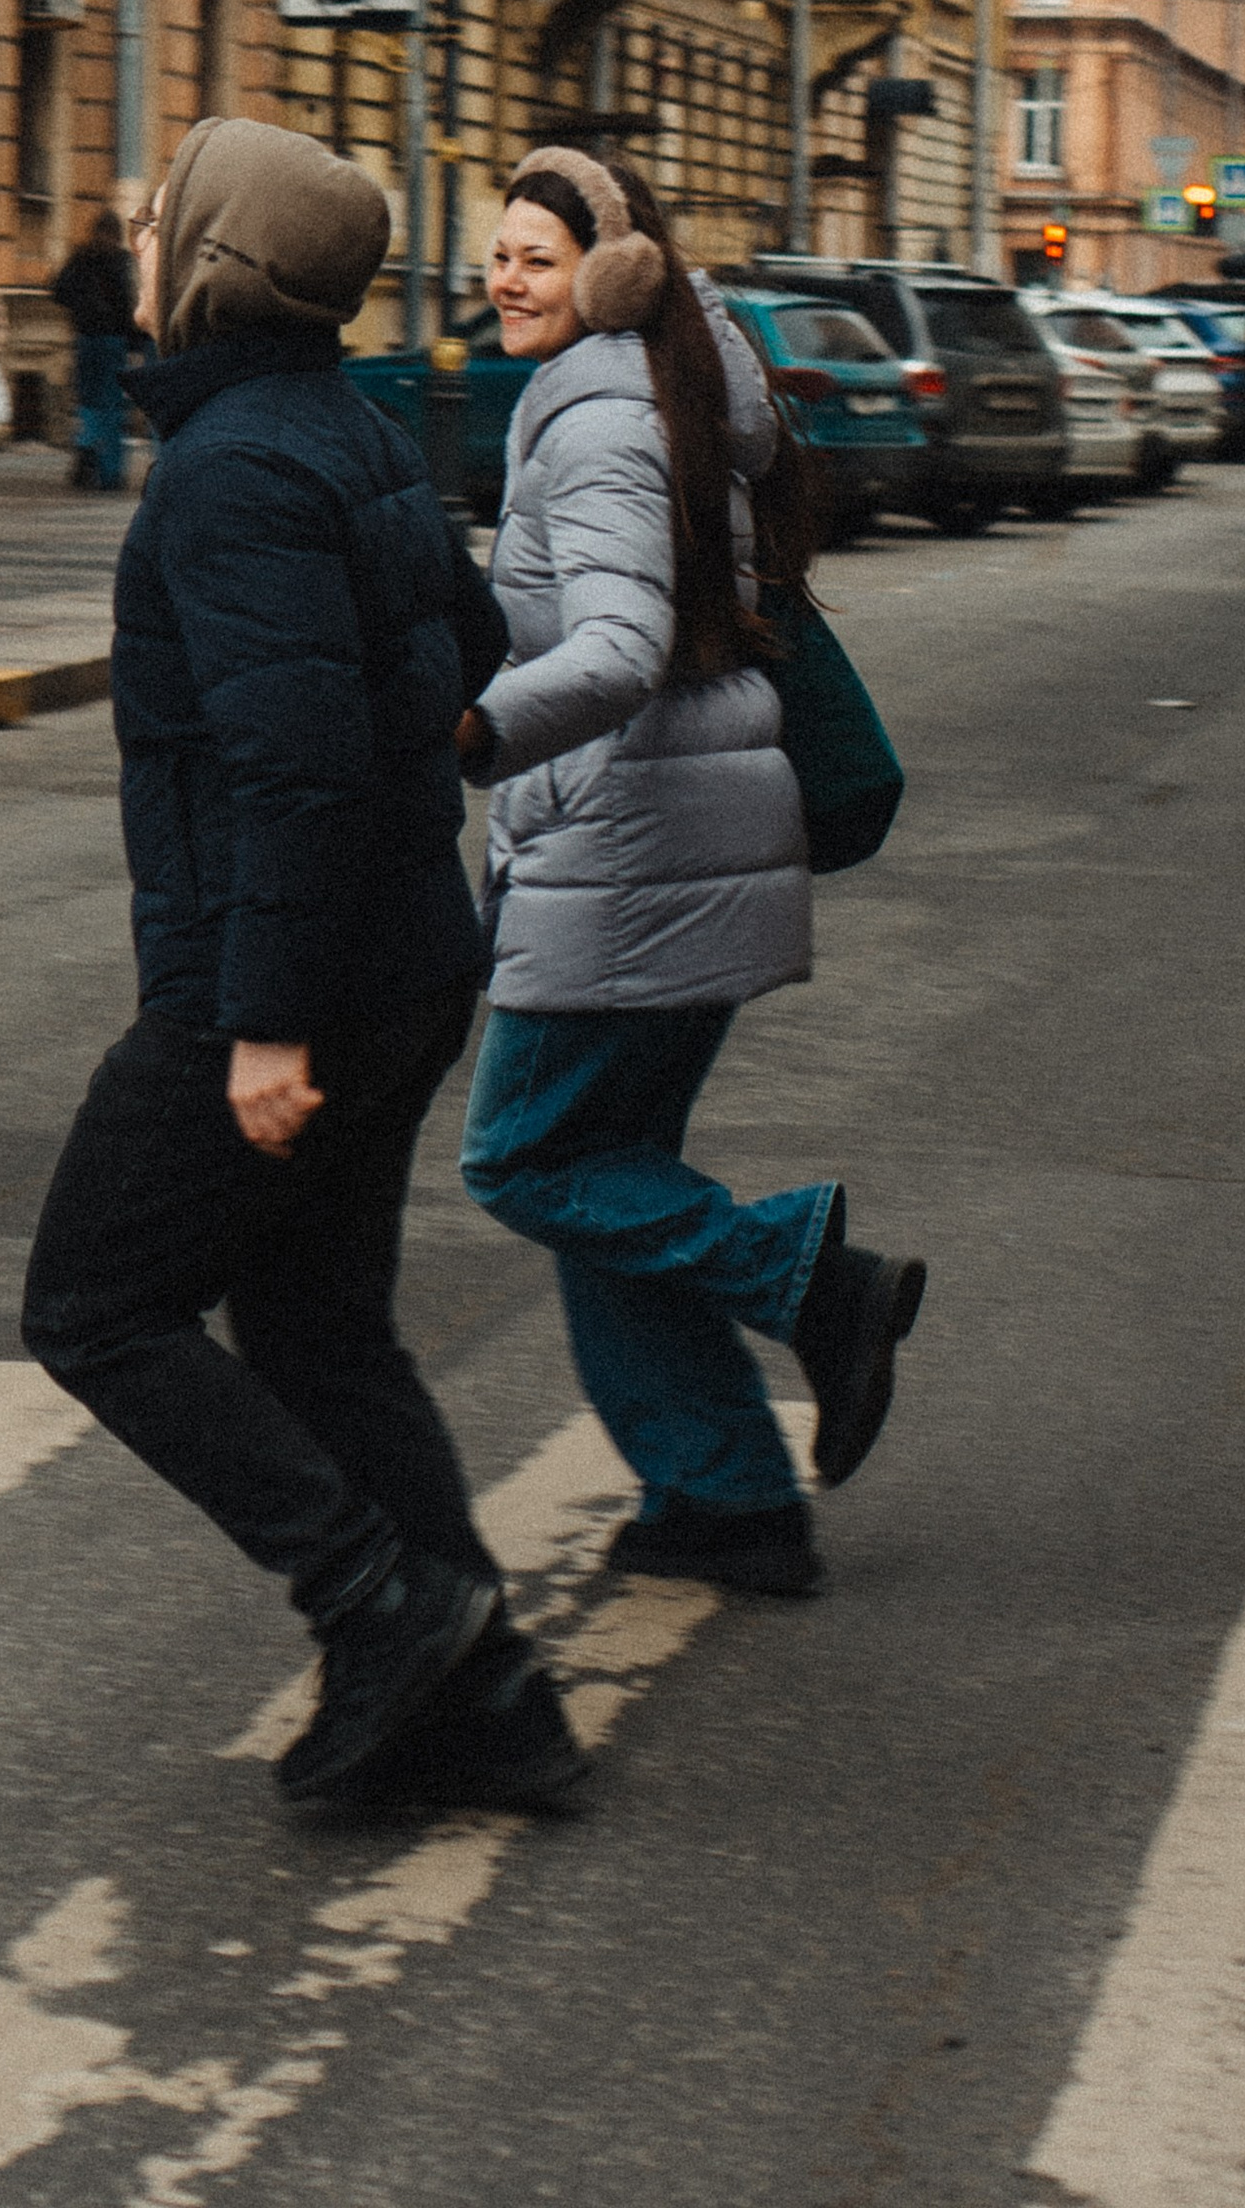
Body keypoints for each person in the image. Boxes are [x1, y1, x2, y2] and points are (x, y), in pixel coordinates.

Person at [22, 118, 581, 1815]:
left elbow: (292, 767)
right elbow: (469, 652)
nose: (130, 233)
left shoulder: (234, 470)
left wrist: (259, 1024)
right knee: (321, 1326)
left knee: (99, 1306)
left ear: (214, 263)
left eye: (155, 214)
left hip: (281, 974)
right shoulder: (348, 429)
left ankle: (379, 1599)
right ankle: (487, 1701)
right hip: (409, 943)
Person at [456, 143, 925, 1603]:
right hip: (681, 834)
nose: (504, 277)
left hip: (631, 845)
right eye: (500, 252)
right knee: (608, 1178)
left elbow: (611, 652)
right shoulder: (656, 388)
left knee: (526, 1159)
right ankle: (724, 1494)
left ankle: (811, 1283)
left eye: (537, 255)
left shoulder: (598, 414)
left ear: (610, 274)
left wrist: (469, 727)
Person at [51, 205, 144, 492]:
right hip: (113, 341)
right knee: (112, 406)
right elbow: (130, 301)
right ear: (117, 233)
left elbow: (57, 291)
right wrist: (135, 341)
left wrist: (80, 310)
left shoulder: (80, 257)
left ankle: (86, 446)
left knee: (88, 401)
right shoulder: (121, 260)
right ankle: (110, 473)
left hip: (85, 339)